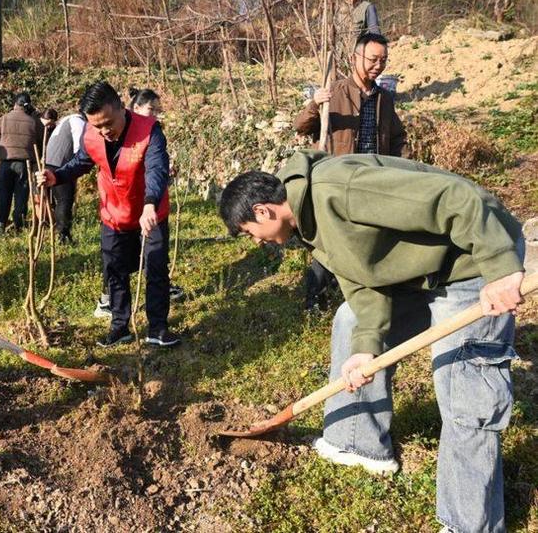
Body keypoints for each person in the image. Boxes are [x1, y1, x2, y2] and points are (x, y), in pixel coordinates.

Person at [219, 150, 525, 533]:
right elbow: (362, 284)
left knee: (463, 384)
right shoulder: (308, 226)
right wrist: (366, 346)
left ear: (263, 211)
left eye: (250, 234)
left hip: (472, 263)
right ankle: (357, 442)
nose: (259, 243)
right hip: (420, 275)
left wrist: (499, 266)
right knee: (351, 321)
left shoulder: (340, 190)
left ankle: (469, 523)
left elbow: (455, 198)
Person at [36, 81, 181, 348]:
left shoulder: (149, 131)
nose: (104, 131)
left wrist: (150, 203)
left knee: (156, 268)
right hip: (113, 214)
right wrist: (55, 176)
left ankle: (157, 328)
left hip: (150, 212)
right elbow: (81, 161)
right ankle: (119, 326)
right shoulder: (92, 134)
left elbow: (157, 169)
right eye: (97, 126)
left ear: (121, 109)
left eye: (108, 123)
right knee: (114, 271)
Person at [294, 33, 407, 309]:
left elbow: (397, 137)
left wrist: (399, 169)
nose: (378, 66)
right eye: (372, 59)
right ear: (356, 58)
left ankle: (358, 298)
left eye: (383, 60)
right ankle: (316, 300)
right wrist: (314, 105)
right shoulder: (335, 92)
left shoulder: (384, 99)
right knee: (331, 243)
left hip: (373, 182)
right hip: (340, 181)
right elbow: (301, 127)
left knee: (365, 241)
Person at [0, 92, 44, 234]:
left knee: (3, 195)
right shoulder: (33, 122)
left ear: (14, 104)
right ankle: (18, 225)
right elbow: (42, 141)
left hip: (6, 163)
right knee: (21, 195)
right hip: (24, 164)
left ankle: (0, 225)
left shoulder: (3, 119)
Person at [45, 110, 85, 246]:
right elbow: (80, 148)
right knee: (64, 201)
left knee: (59, 201)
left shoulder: (65, 120)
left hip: (51, 163)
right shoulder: (77, 121)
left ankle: (59, 232)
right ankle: (63, 236)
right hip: (61, 166)